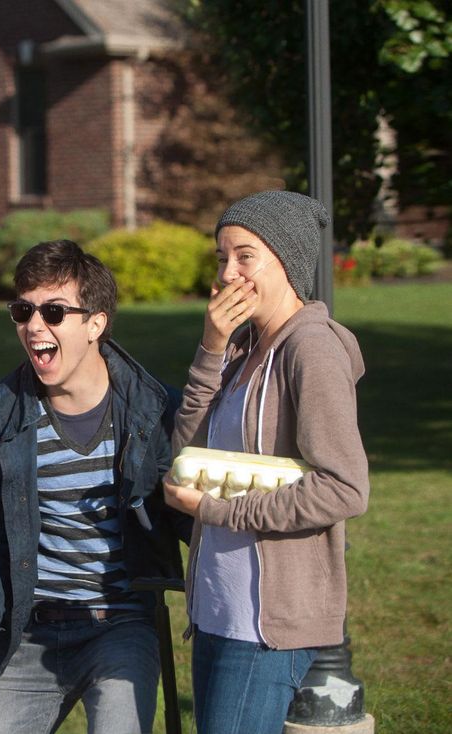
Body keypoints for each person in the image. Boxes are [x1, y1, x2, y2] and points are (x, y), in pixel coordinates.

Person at [0, 240, 191, 734]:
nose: (34, 326)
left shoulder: (152, 410)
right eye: (23, 311)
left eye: (53, 311)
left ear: (96, 324)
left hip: (119, 623)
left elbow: (189, 518)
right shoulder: (1, 410)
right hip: (29, 628)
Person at [163, 191, 370, 734]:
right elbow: (186, 453)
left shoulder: (312, 349)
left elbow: (344, 488)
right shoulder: (240, 349)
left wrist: (216, 510)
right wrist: (211, 347)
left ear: (288, 261)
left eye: (245, 256)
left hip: (268, 626)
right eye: (221, 257)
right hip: (218, 608)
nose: (228, 273)